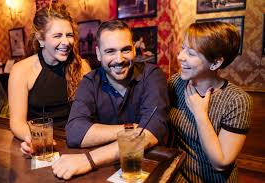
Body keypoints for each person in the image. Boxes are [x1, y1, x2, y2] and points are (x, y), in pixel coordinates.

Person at [52, 20, 169, 180]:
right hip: (108, 171)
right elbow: (74, 132)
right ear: (99, 54)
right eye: (110, 51)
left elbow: (151, 132)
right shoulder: (90, 82)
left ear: (134, 50)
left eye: (126, 50)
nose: (119, 59)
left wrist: (89, 160)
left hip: (151, 166)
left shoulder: (152, 75)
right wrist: (130, 129)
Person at [168, 21, 253, 182]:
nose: (180, 57)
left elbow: (220, 163)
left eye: (191, 53)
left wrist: (201, 114)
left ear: (215, 63)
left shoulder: (237, 100)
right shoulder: (176, 83)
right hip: (178, 176)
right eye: (183, 48)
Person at [8, 4, 91, 155]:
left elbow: (91, 114)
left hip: (77, 142)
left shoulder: (82, 67)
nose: (66, 42)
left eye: (69, 35)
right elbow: (17, 123)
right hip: (43, 143)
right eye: (57, 36)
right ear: (41, 39)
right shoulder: (21, 70)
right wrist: (36, 139)